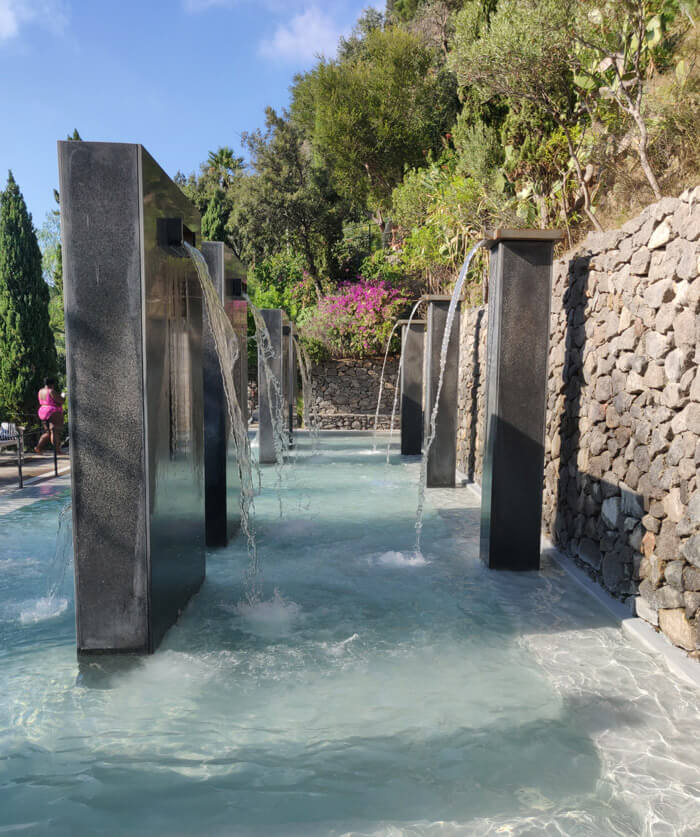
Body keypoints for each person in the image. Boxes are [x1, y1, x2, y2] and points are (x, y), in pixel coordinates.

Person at [34, 377, 64, 454]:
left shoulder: (40, 391)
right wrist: (63, 396)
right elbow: (60, 400)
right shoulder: (51, 391)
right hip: (51, 412)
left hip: (42, 411)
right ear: (52, 384)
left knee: (48, 432)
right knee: (54, 431)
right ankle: (57, 451)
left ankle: (38, 448)